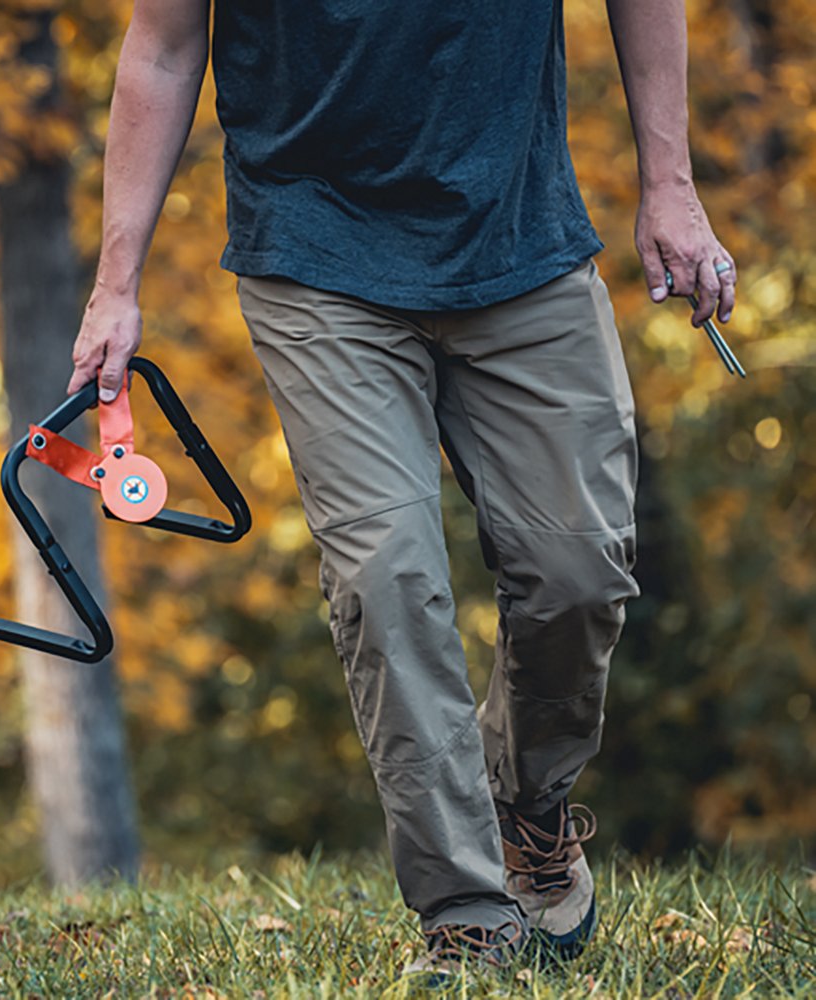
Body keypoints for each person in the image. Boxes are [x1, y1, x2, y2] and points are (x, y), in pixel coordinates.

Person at [66, 0, 737, 981]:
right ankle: (468, 918)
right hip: (316, 251)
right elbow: (164, 48)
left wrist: (670, 185)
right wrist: (114, 286)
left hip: (518, 234)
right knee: (387, 579)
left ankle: (529, 813)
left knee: (579, 569)